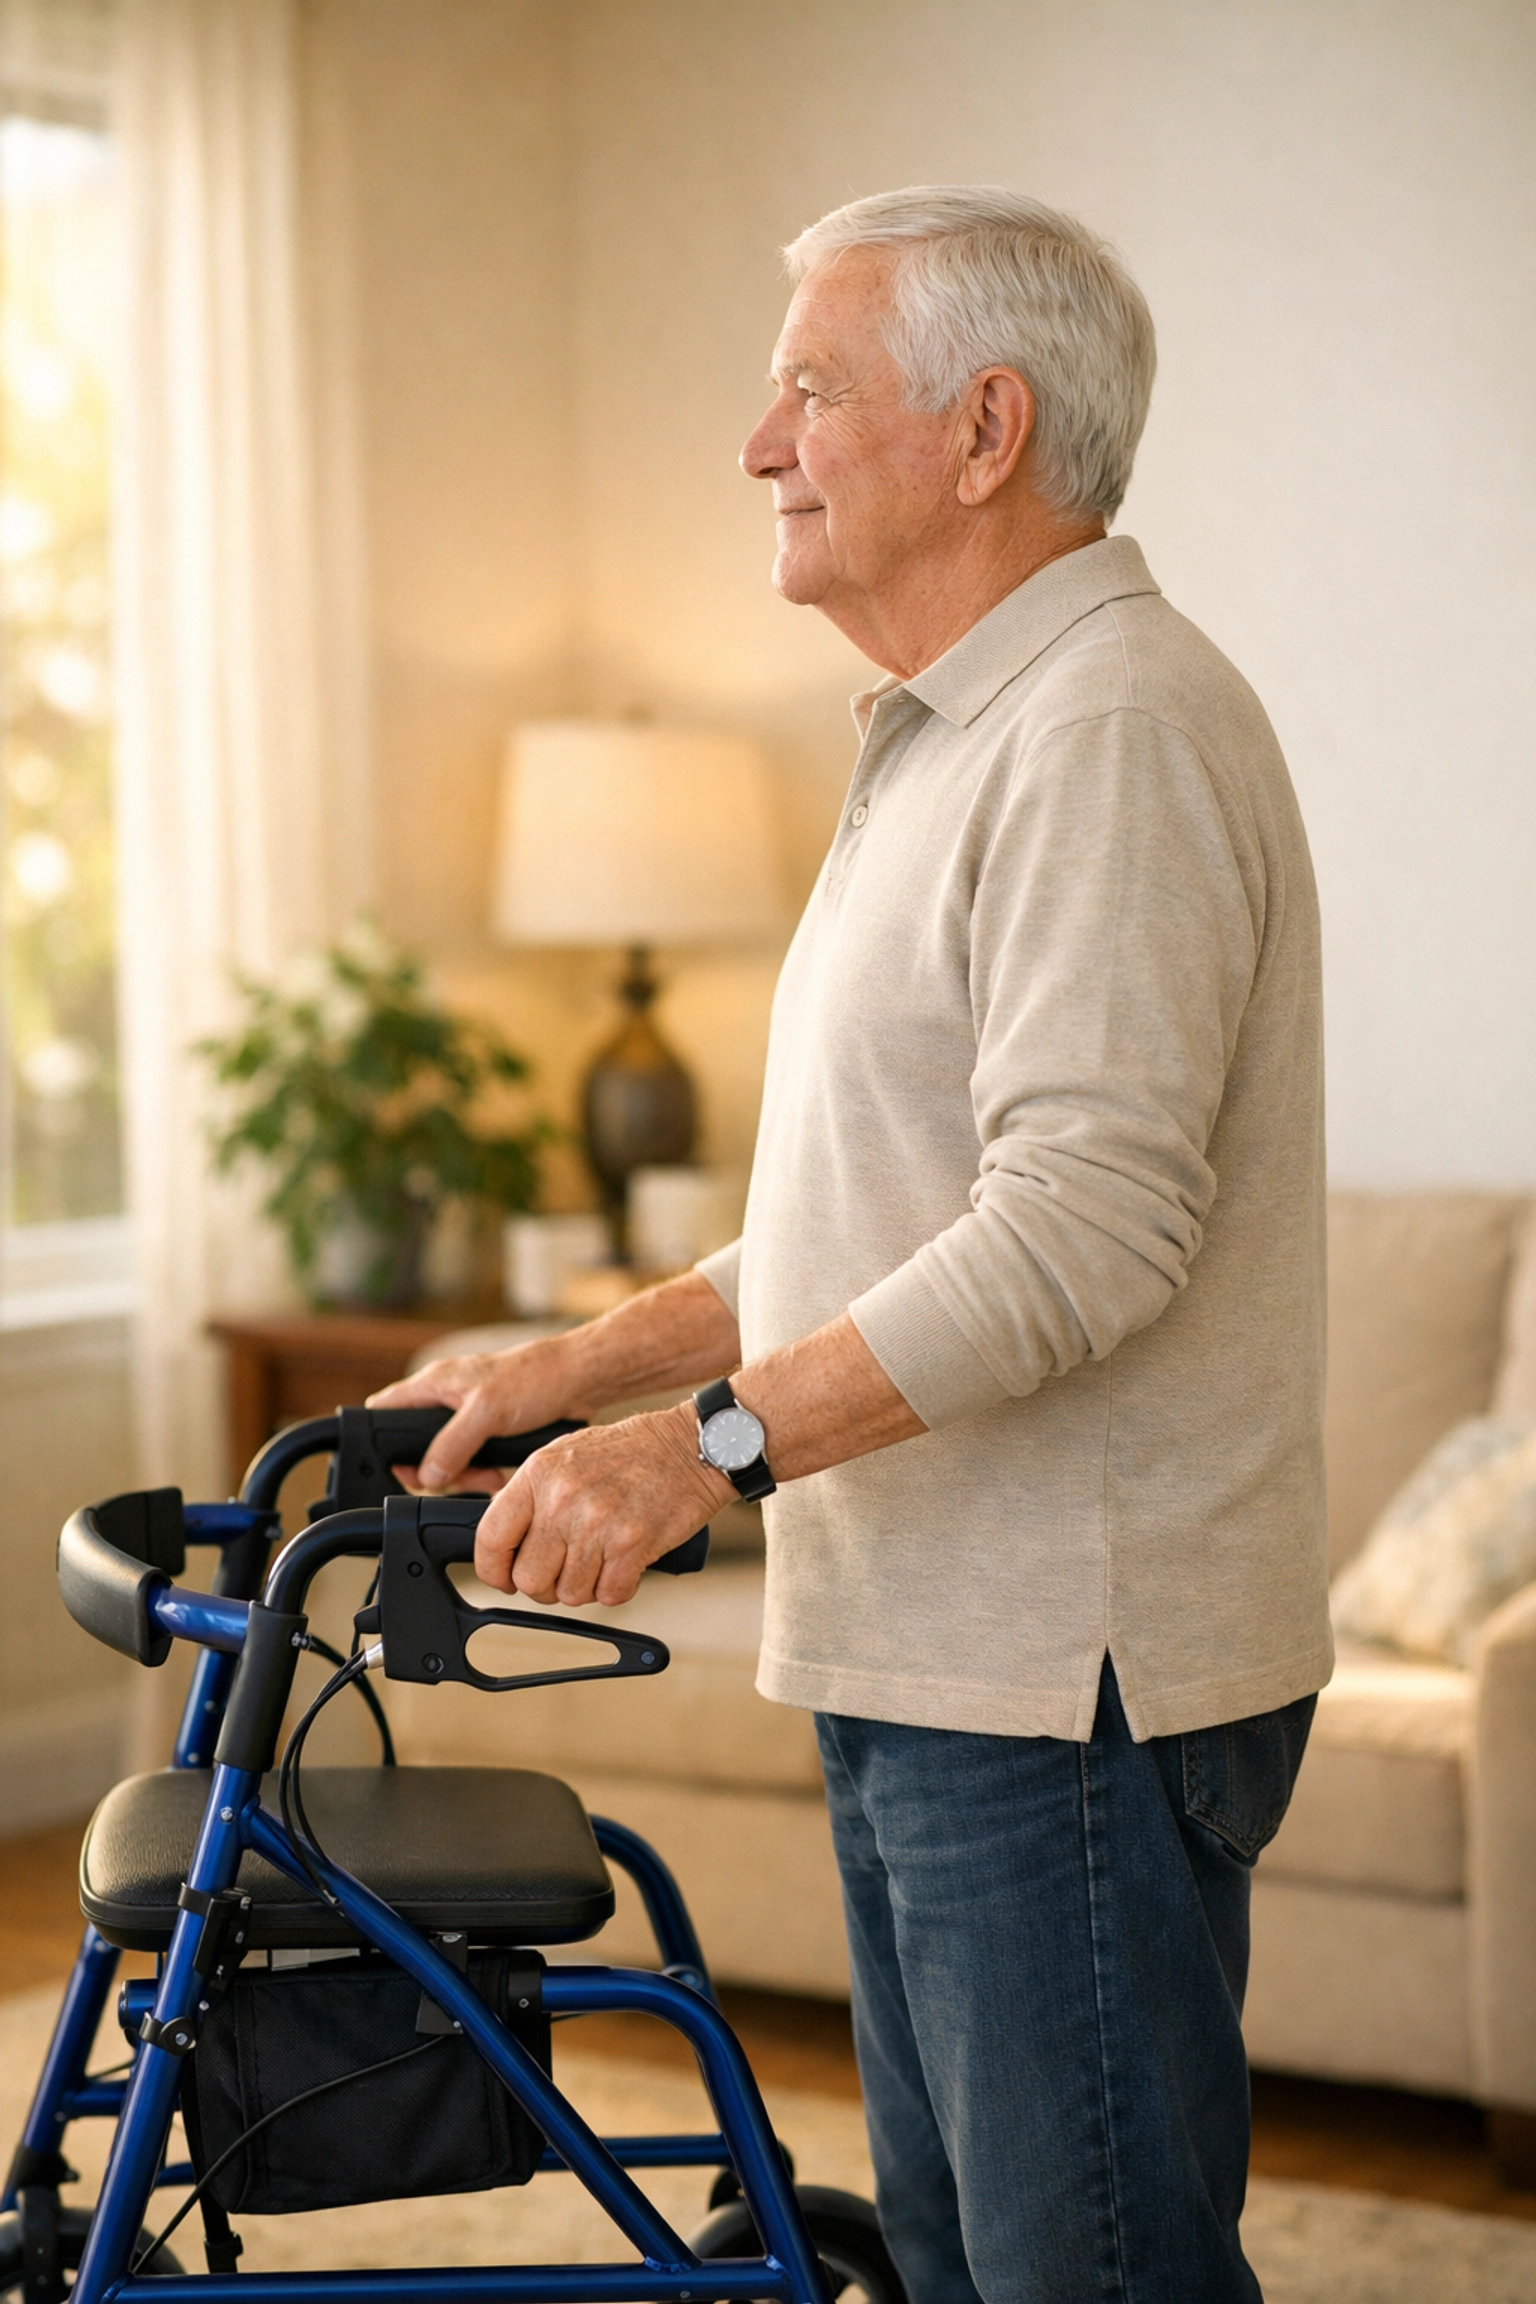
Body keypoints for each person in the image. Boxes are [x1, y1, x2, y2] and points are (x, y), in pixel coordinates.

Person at [372, 186, 1331, 2304]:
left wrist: (690, 1455)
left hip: (1061, 1675)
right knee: (970, 2263)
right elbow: (858, 1219)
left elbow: (1082, 1232)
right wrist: (560, 1378)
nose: (755, 441)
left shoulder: (1110, 730)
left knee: (1081, 2271)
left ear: (986, 431)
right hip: (934, 1639)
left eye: (810, 384)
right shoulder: (950, 739)